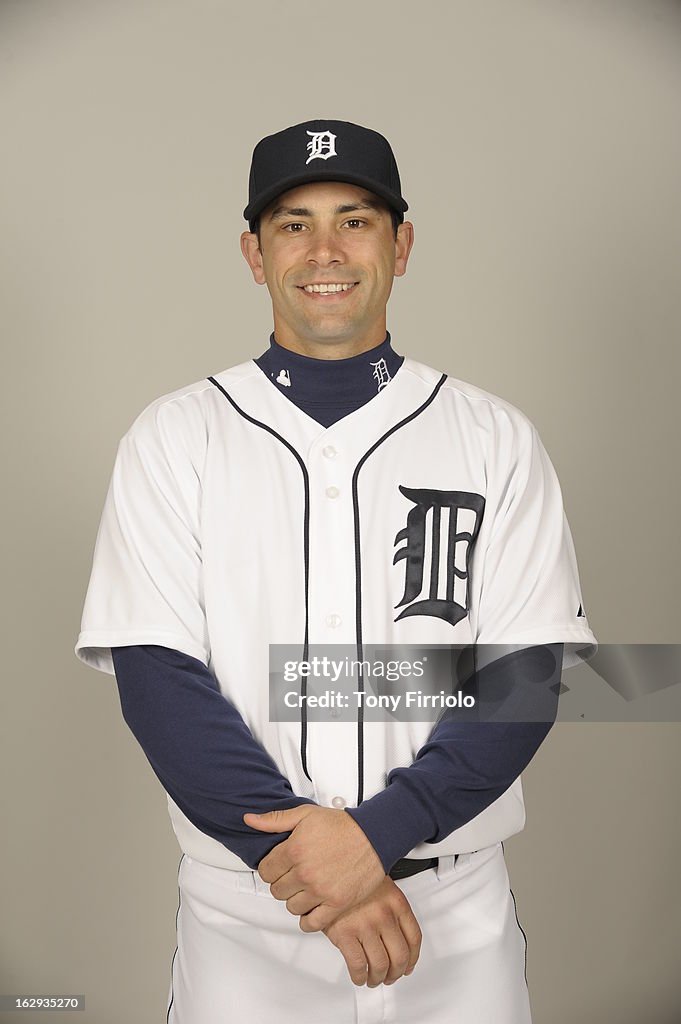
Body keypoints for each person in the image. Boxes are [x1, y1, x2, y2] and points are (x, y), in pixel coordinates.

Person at [74, 118, 597, 1023]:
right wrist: (327, 874)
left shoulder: (493, 438)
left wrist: (380, 835)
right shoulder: (175, 437)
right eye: (292, 223)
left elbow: (525, 675)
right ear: (253, 251)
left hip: (452, 912)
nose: (325, 249)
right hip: (246, 915)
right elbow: (158, 681)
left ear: (400, 243)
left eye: (354, 220)